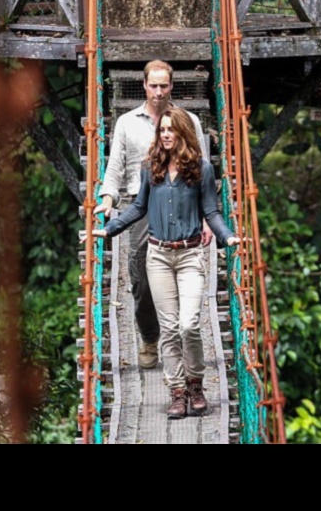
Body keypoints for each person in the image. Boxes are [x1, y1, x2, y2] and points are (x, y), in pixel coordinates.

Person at [90, 108, 240, 421]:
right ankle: (177, 392)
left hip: (189, 255)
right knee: (170, 329)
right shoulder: (150, 168)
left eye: (171, 130)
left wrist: (228, 238)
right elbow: (138, 208)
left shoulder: (201, 169)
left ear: (184, 132)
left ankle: (196, 384)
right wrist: (108, 228)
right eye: (162, 130)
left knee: (189, 324)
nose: (166, 135)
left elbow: (211, 213)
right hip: (157, 256)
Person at [95, 61, 210, 371]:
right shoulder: (126, 123)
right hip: (142, 204)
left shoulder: (189, 122)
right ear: (144, 86)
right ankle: (149, 336)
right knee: (140, 280)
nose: (158, 92)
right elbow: (115, 166)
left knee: (186, 277)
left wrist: (205, 219)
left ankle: (185, 345)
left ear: (171, 86)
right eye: (153, 85)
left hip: (184, 202)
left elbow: (203, 170)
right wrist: (108, 199)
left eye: (164, 86)